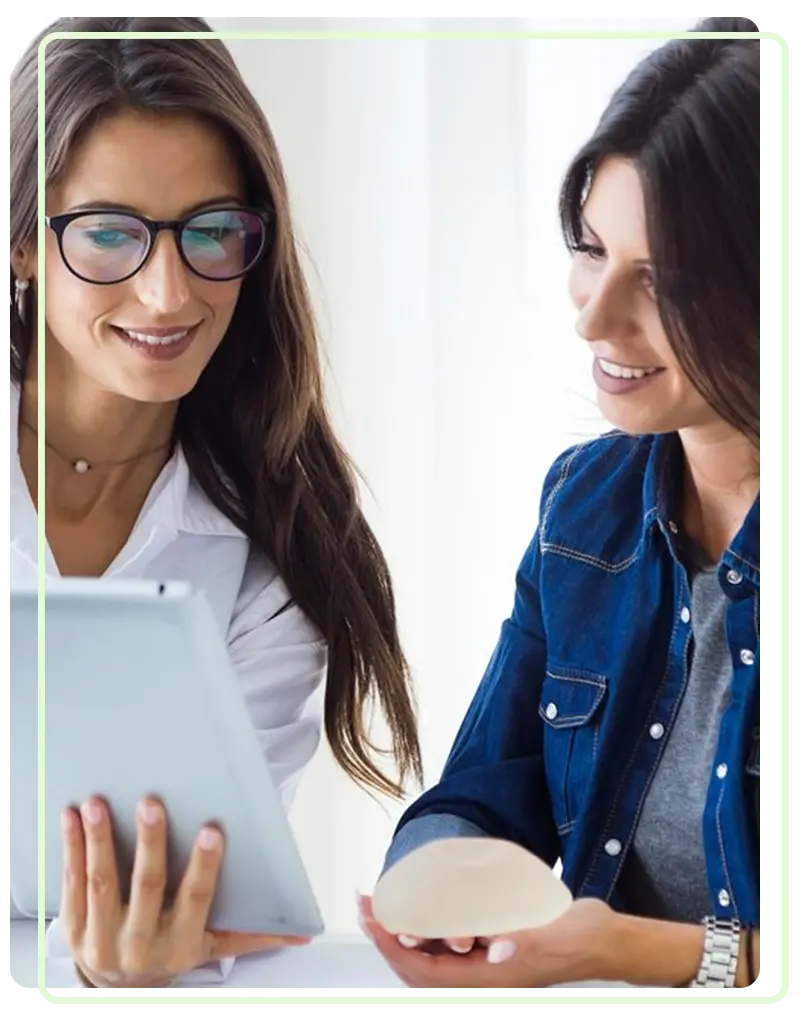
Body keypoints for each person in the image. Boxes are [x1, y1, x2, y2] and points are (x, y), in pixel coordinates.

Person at [8, 15, 421, 988]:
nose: (166, 294)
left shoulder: (276, 548)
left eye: (209, 233)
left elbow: (195, 882)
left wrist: (133, 962)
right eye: (108, 233)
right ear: (22, 244)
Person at [359, 22, 761, 991]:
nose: (588, 315)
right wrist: (433, 887)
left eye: (662, 279)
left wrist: (641, 950)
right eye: (588, 248)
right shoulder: (584, 502)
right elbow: (491, 788)